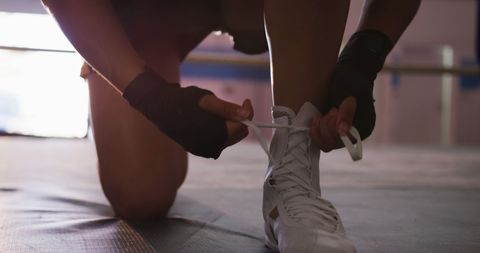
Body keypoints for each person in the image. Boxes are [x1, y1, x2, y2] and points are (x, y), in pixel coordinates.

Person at [41, 0, 421, 252]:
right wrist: (150, 96)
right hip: (143, 13)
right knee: (141, 194)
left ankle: (291, 185)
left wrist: (365, 55)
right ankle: (129, 63)